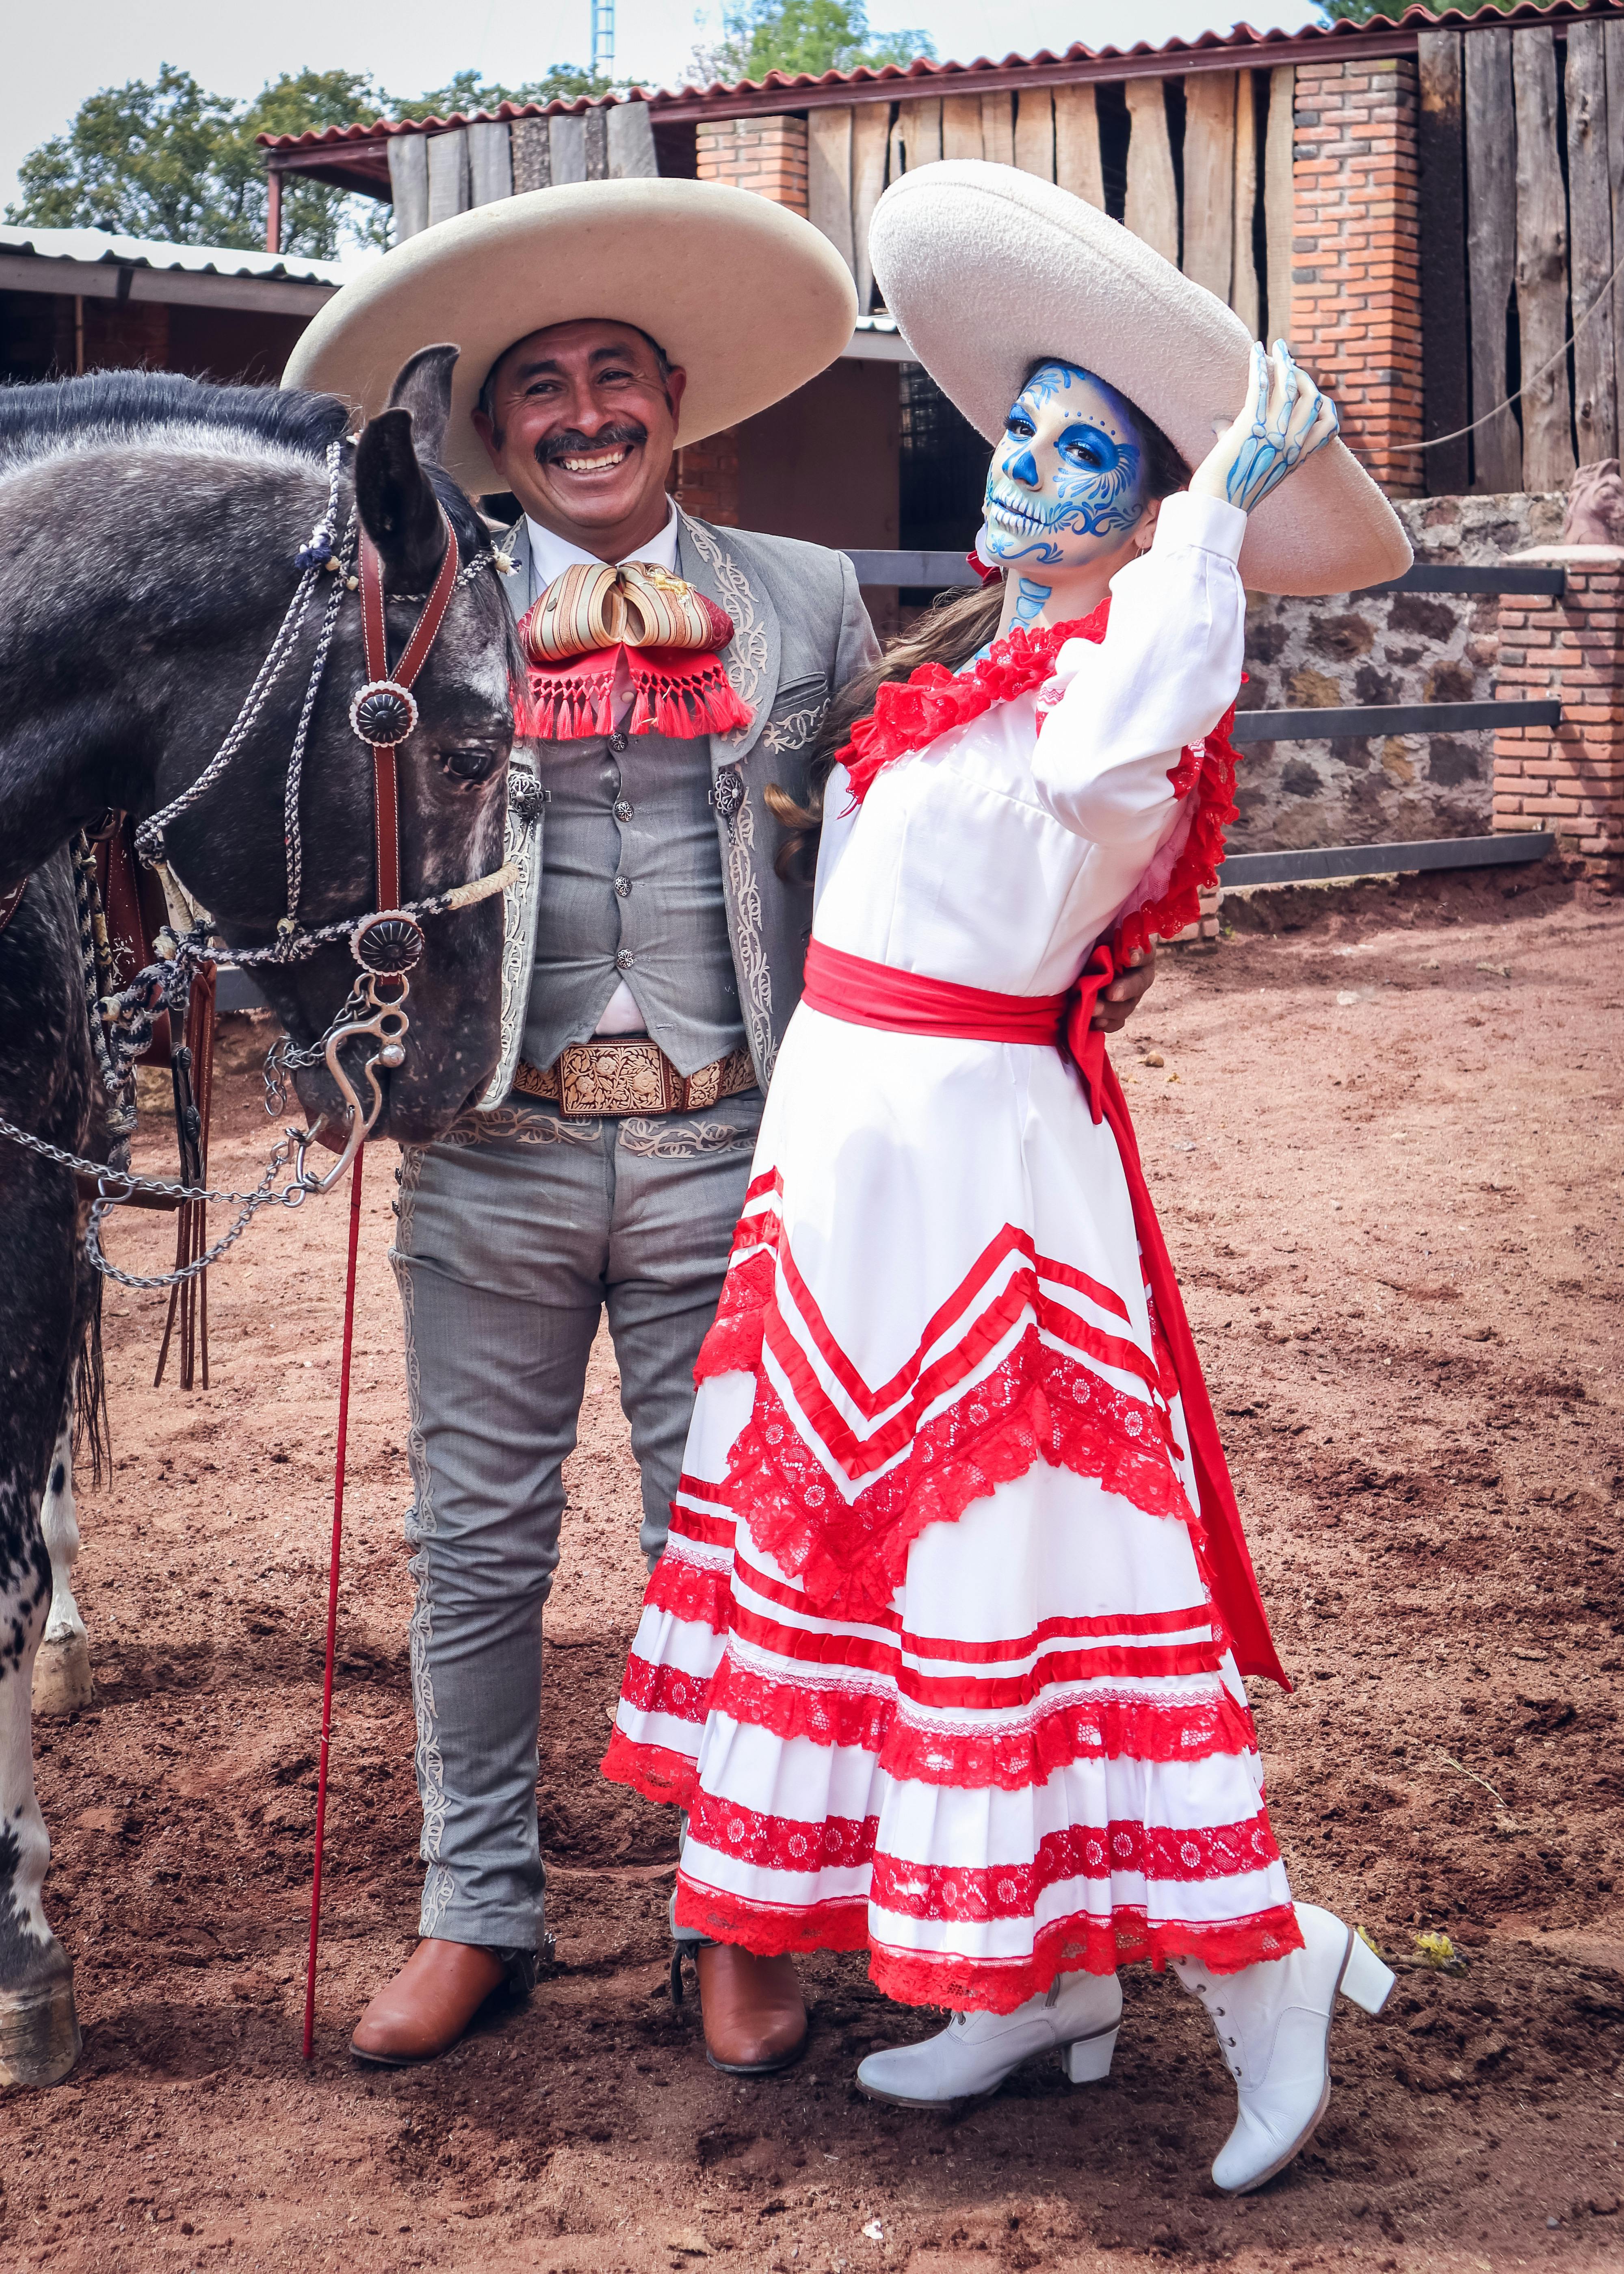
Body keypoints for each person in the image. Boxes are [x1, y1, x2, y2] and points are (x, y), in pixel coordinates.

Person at [281, 174, 1165, 2076]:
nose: (583, 412)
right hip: (492, 1153)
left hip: (738, 1151)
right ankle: (473, 1908)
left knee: (738, 1546)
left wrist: (1058, 956)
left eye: (618, 375)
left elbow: (910, 825)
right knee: (478, 1545)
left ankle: (733, 1917)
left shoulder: (809, 600)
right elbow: (319, 849)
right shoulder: (418, 617)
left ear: (676, 397)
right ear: (489, 428)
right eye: (540, 387)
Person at [603, 161, 1413, 2193]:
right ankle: (1024, 1980)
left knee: (1033, 1566)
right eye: (1020, 435)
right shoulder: (974, 678)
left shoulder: (1114, 706)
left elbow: (1135, 719)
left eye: (1083, 459)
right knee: (909, 1587)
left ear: (1143, 517)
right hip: (852, 1181)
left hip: (981, 1198)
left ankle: (1265, 1962)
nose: (1026, 473)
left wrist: (1216, 517)